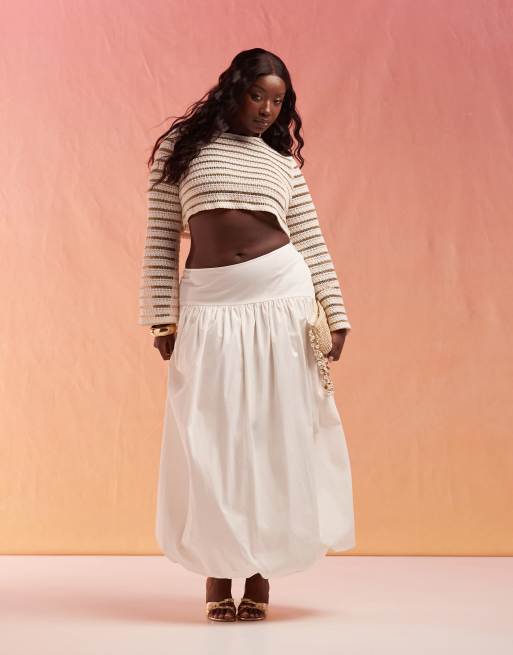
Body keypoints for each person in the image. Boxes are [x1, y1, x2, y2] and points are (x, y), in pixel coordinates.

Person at [138, 48, 356, 622]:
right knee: (210, 438)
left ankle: (258, 580)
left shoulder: (281, 164)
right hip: (210, 308)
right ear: (232, 90)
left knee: (270, 437)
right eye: (257, 95)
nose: (266, 109)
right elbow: (161, 235)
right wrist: (162, 315)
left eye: (277, 101)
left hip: (282, 302)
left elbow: (311, 242)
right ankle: (217, 579)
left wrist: (335, 315)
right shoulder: (181, 152)